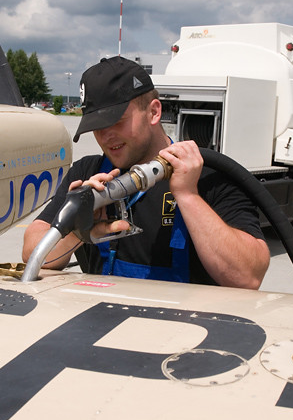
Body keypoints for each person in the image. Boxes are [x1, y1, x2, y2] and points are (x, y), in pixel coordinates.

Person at [22, 56, 269, 289]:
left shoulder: (209, 176)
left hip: (183, 327)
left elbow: (248, 277)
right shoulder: (89, 172)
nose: (106, 136)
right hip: (102, 323)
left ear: (153, 112)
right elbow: (32, 254)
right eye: (96, 126)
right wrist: (77, 229)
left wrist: (188, 196)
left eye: (116, 121)